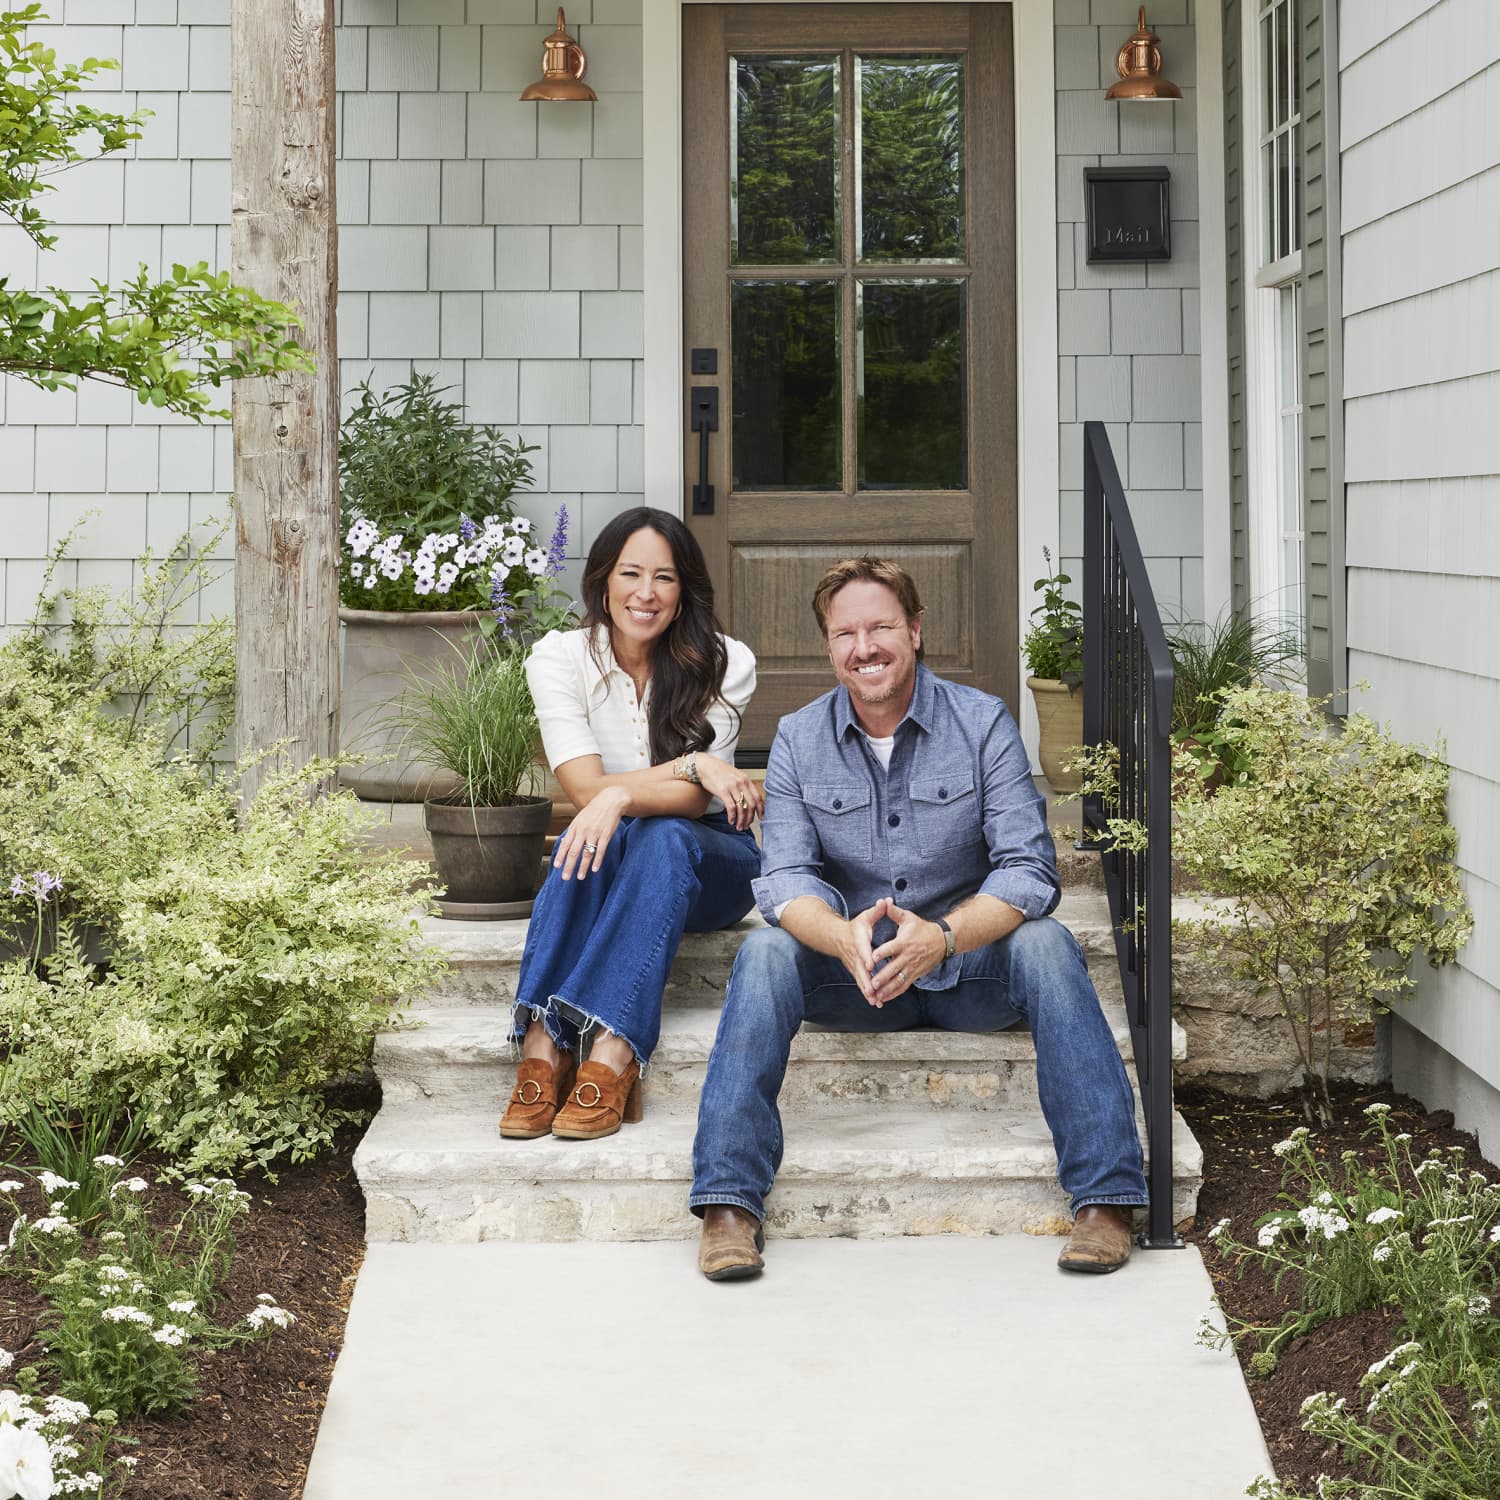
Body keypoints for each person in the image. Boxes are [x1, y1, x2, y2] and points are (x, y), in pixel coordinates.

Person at [688, 557, 1149, 1280]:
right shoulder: (800, 739)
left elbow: (1030, 869)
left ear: (916, 630)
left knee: (1048, 944)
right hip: (858, 980)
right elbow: (782, 879)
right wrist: (840, 936)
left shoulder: (981, 722)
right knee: (766, 954)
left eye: (881, 627)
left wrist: (944, 937)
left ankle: (1106, 1198)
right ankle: (727, 1207)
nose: (864, 647)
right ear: (829, 645)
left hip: (970, 973)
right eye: (845, 633)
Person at [499, 507, 764, 1142]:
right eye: (631, 574)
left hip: (714, 867)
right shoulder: (560, 657)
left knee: (661, 833)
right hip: (608, 857)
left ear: (685, 591)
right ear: (603, 581)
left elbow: (695, 806)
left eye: (665, 578)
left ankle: (613, 1050)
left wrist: (619, 799)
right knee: (587, 834)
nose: (646, 594)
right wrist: (691, 763)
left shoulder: (726, 662)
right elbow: (583, 789)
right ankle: (545, 1046)